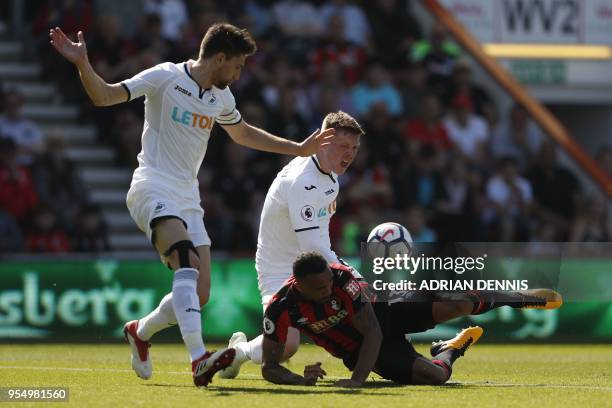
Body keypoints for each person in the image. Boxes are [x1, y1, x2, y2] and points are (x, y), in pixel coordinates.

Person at [49, 22, 333, 387]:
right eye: (238, 65)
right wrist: (81, 63)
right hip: (152, 186)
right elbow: (104, 96)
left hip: (187, 197)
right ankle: (199, 358)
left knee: (200, 292)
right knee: (185, 260)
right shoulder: (165, 77)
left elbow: (243, 133)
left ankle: (140, 331)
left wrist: (297, 148)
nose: (239, 73)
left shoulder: (221, 98)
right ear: (219, 57)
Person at [260, 252, 563, 387]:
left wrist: (356, 381)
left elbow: (374, 330)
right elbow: (270, 367)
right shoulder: (280, 309)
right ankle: (452, 347)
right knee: (437, 377)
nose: (329, 289)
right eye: (320, 288)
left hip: (382, 311)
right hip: (358, 350)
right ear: (299, 286)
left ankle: (521, 296)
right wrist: (301, 380)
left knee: (460, 303)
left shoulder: (343, 278)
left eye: (329, 282)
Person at [219, 111, 364, 379]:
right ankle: (239, 353)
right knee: (286, 346)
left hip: (307, 266)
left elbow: (320, 237)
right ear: (323, 141)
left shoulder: (330, 176)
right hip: (279, 269)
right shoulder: (304, 182)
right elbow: (313, 246)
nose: (350, 154)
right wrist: (351, 274)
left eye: (354, 147)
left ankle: (238, 352)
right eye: (344, 146)